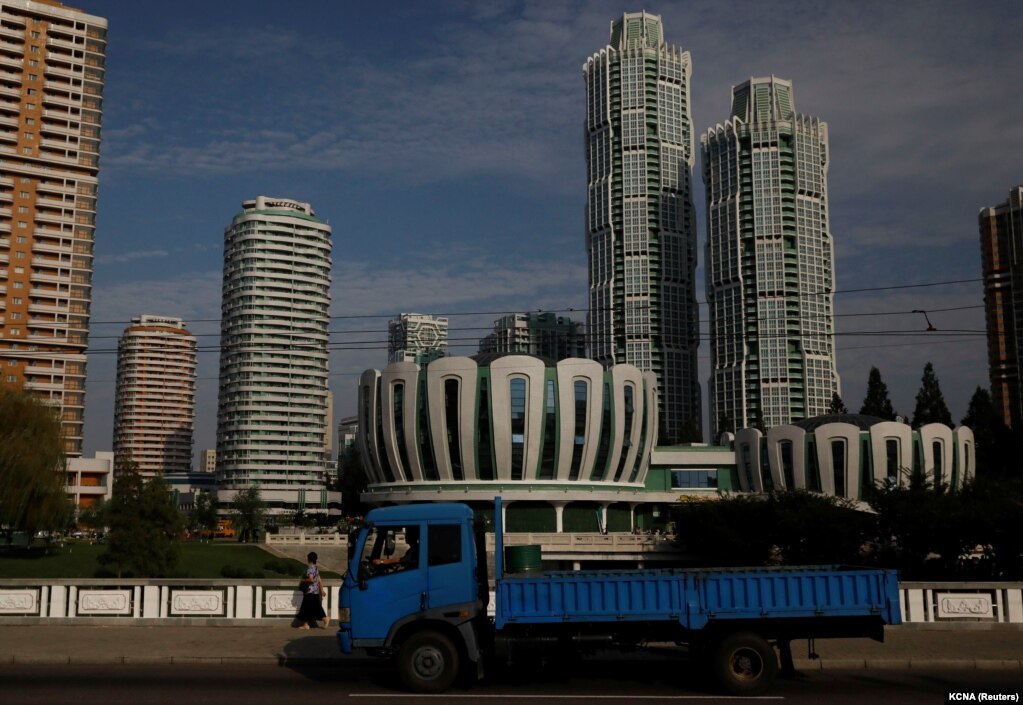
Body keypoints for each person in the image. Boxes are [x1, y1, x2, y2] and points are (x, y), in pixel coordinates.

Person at [296, 551, 328, 629]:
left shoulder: (310, 568)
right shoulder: (316, 568)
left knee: (312, 607)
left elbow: (311, 580)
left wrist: (303, 581)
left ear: (309, 559)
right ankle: (306, 624)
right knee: (307, 607)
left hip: (310, 591)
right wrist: (322, 590)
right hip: (315, 591)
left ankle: (325, 619)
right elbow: (319, 580)